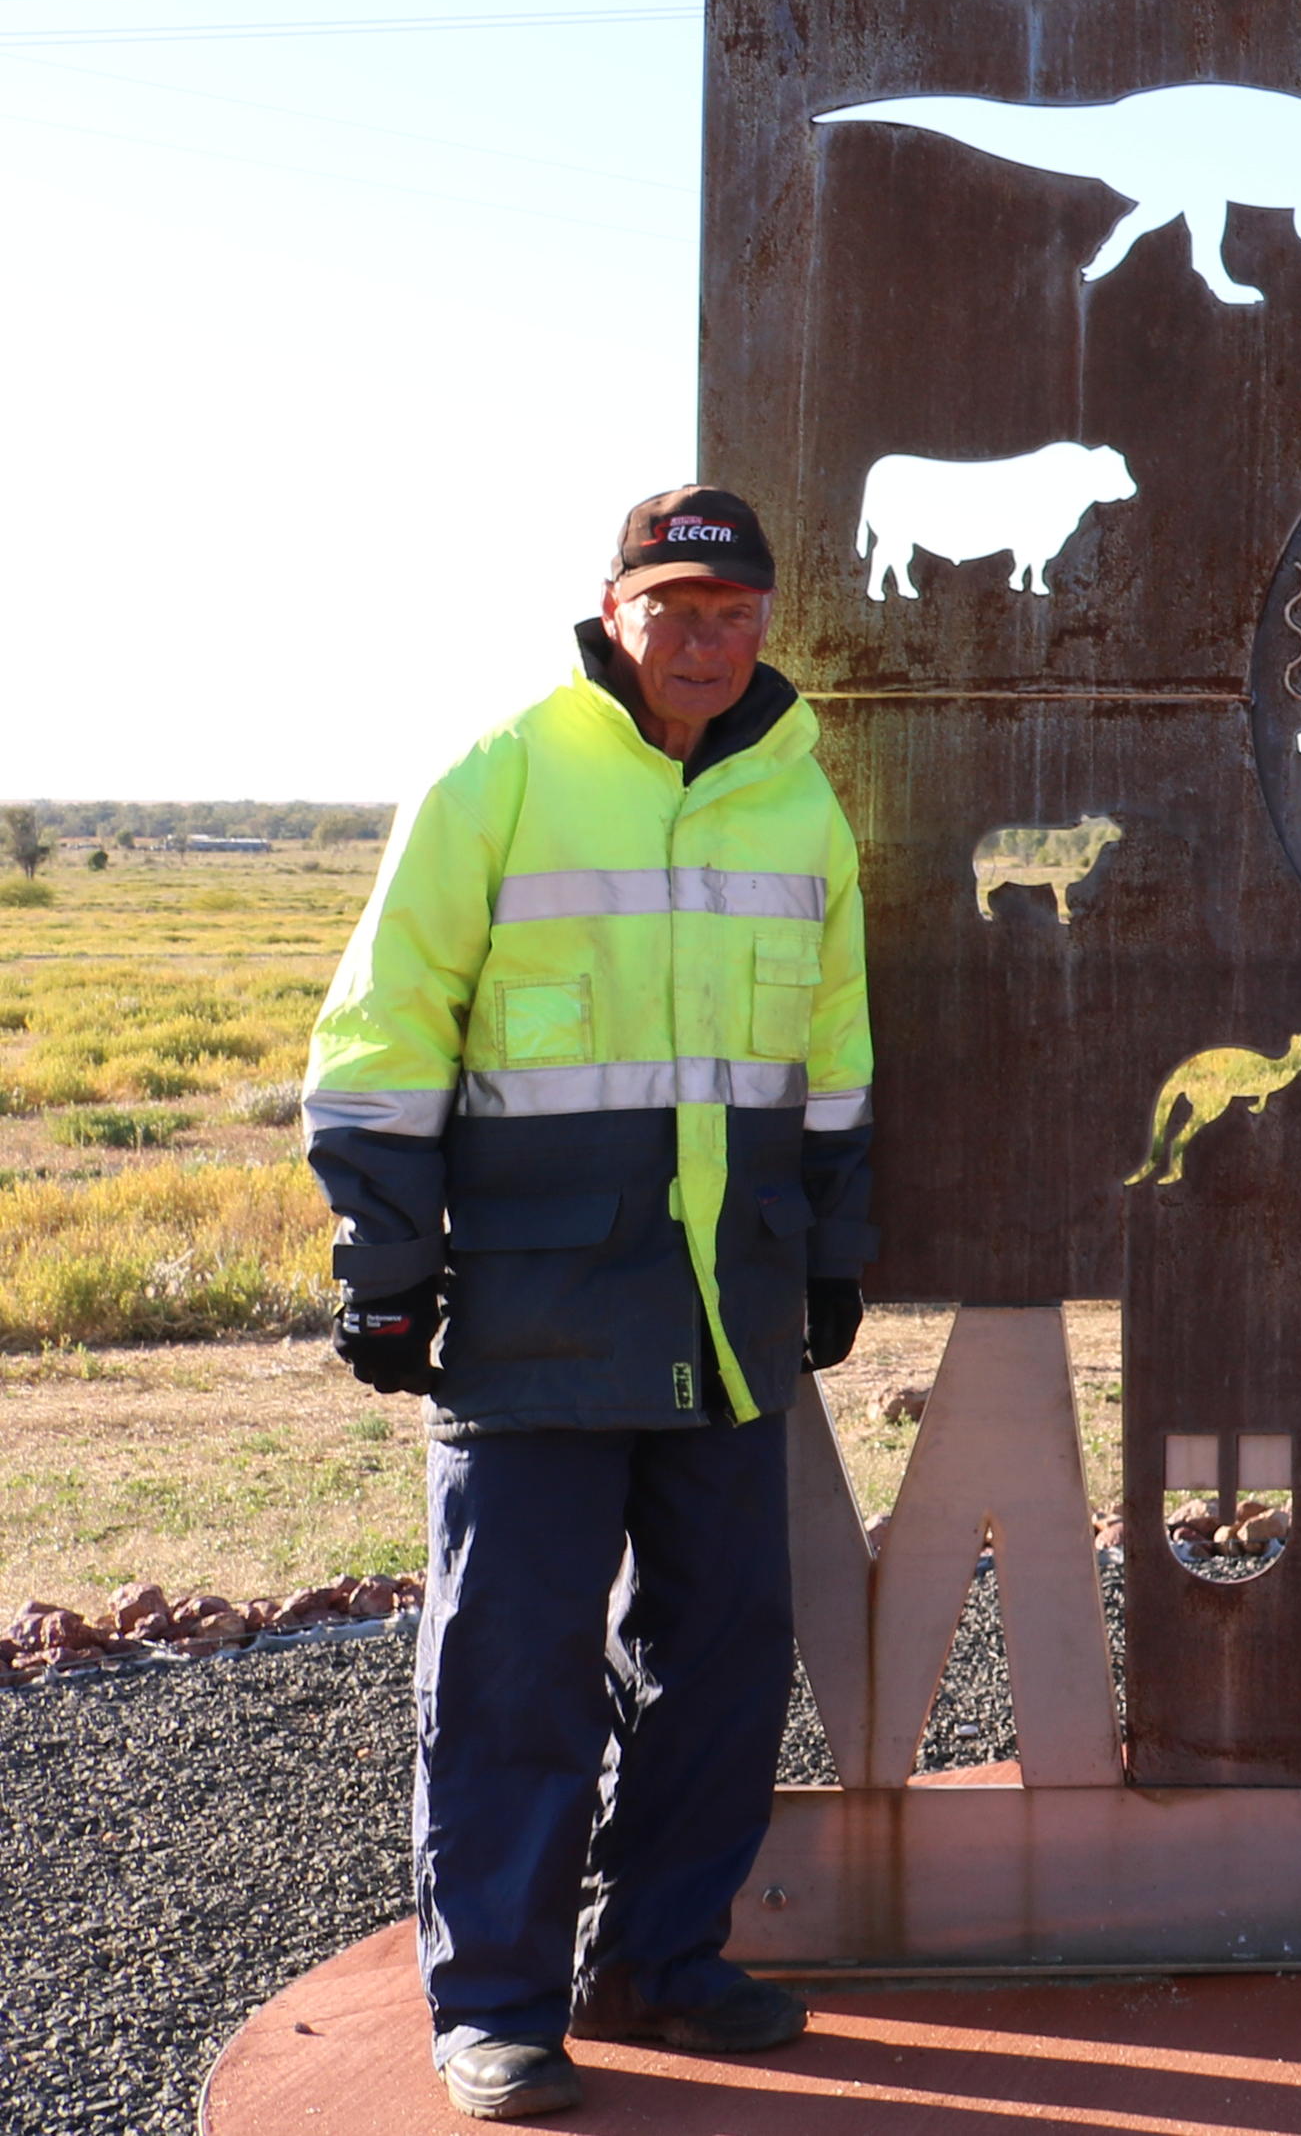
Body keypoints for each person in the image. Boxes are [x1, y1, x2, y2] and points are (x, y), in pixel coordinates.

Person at [306, 485, 877, 2120]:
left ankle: (663, 1957)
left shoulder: (799, 801)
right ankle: (495, 2000)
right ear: (612, 608)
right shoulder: (502, 775)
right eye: (676, 606)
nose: (706, 639)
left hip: (725, 1307)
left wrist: (834, 1245)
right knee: (515, 1664)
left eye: (735, 612)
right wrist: (386, 1264)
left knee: (721, 1654)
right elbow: (384, 1034)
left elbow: (832, 1053)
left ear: (768, 623)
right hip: (535, 1307)